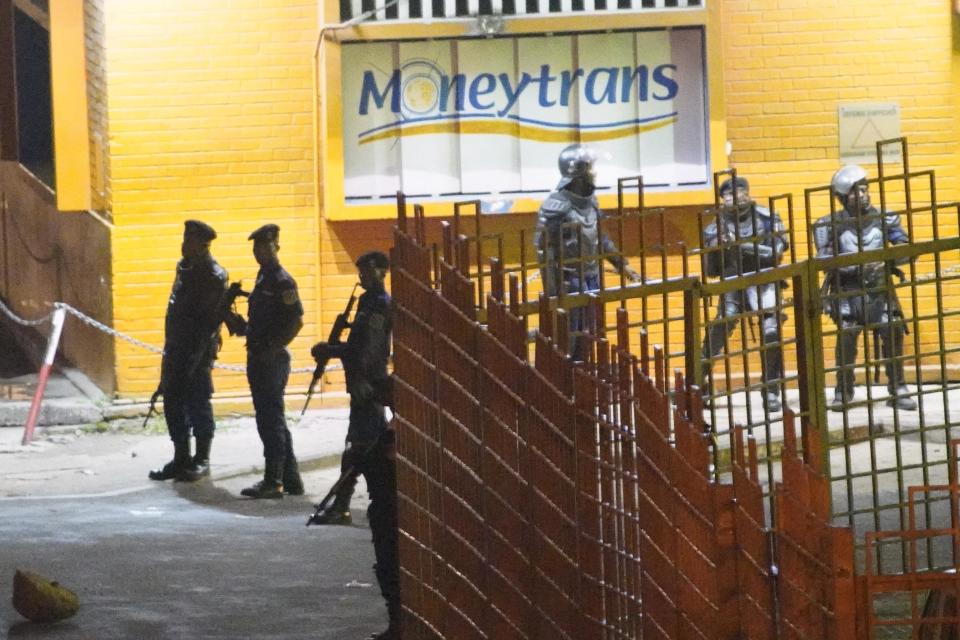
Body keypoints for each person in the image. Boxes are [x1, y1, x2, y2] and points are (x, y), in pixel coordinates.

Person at [310, 251, 398, 640]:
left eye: (368, 269)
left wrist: (339, 357)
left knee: (363, 445)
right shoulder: (365, 302)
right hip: (360, 380)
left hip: (369, 381)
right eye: (360, 269)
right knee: (359, 442)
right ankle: (343, 504)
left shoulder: (380, 304)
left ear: (382, 271)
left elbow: (370, 348)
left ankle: (344, 503)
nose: (363, 274)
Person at [813, 164, 917, 412]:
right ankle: (843, 389)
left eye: (863, 189)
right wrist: (853, 266)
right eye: (853, 192)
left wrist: (887, 259)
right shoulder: (828, 224)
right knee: (847, 335)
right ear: (841, 197)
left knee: (892, 330)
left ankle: (898, 387)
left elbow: (906, 249)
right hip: (847, 290)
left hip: (880, 288)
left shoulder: (885, 218)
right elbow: (823, 260)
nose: (860, 195)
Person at [533, 143, 641, 360]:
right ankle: (566, 384)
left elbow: (601, 238)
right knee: (568, 338)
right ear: (579, 171)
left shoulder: (591, 202)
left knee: (591, 335)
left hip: (593, 278)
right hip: (569, 281)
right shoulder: (555, 206)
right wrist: (554, 294)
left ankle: (583, 382)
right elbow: (543, 250)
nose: (595, 172)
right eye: (591, 167)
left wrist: (622, 265)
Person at [223, 224, 306, 498]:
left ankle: (274, 481)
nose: (261, 252)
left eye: (266, 247)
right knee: (273, 419)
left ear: (277, 248)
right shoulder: (262, 278)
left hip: (271, 359)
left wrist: (273, 347)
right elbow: (259, 322)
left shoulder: (283, 281)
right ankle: (291, 480)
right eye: (257, 248)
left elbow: (295, 320)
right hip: (258, 355)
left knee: (269, 420)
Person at [700, 176, 788, 413]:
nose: (735, 197)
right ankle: (698, 383)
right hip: (733, 280)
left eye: (739, 191)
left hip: (763, 278)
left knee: (772, 332)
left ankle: (771, 389)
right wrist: (716, 248)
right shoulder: (714, 226)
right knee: (721, 325)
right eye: (729, 194)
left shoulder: (767, 217)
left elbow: (775, 253)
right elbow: (711, 271)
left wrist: (740, 245)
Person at [149, 220, 228, 482]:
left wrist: (195, 357)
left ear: (203, 245)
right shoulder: (185, 268)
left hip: (197, 352)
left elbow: (207, 323)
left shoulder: (213, 275)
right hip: (175, 347)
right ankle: (181, 455)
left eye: (190, 240)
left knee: (197, 403)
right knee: (172, 401)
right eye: (184, 238)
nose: (184, 244)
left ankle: (202, 458)